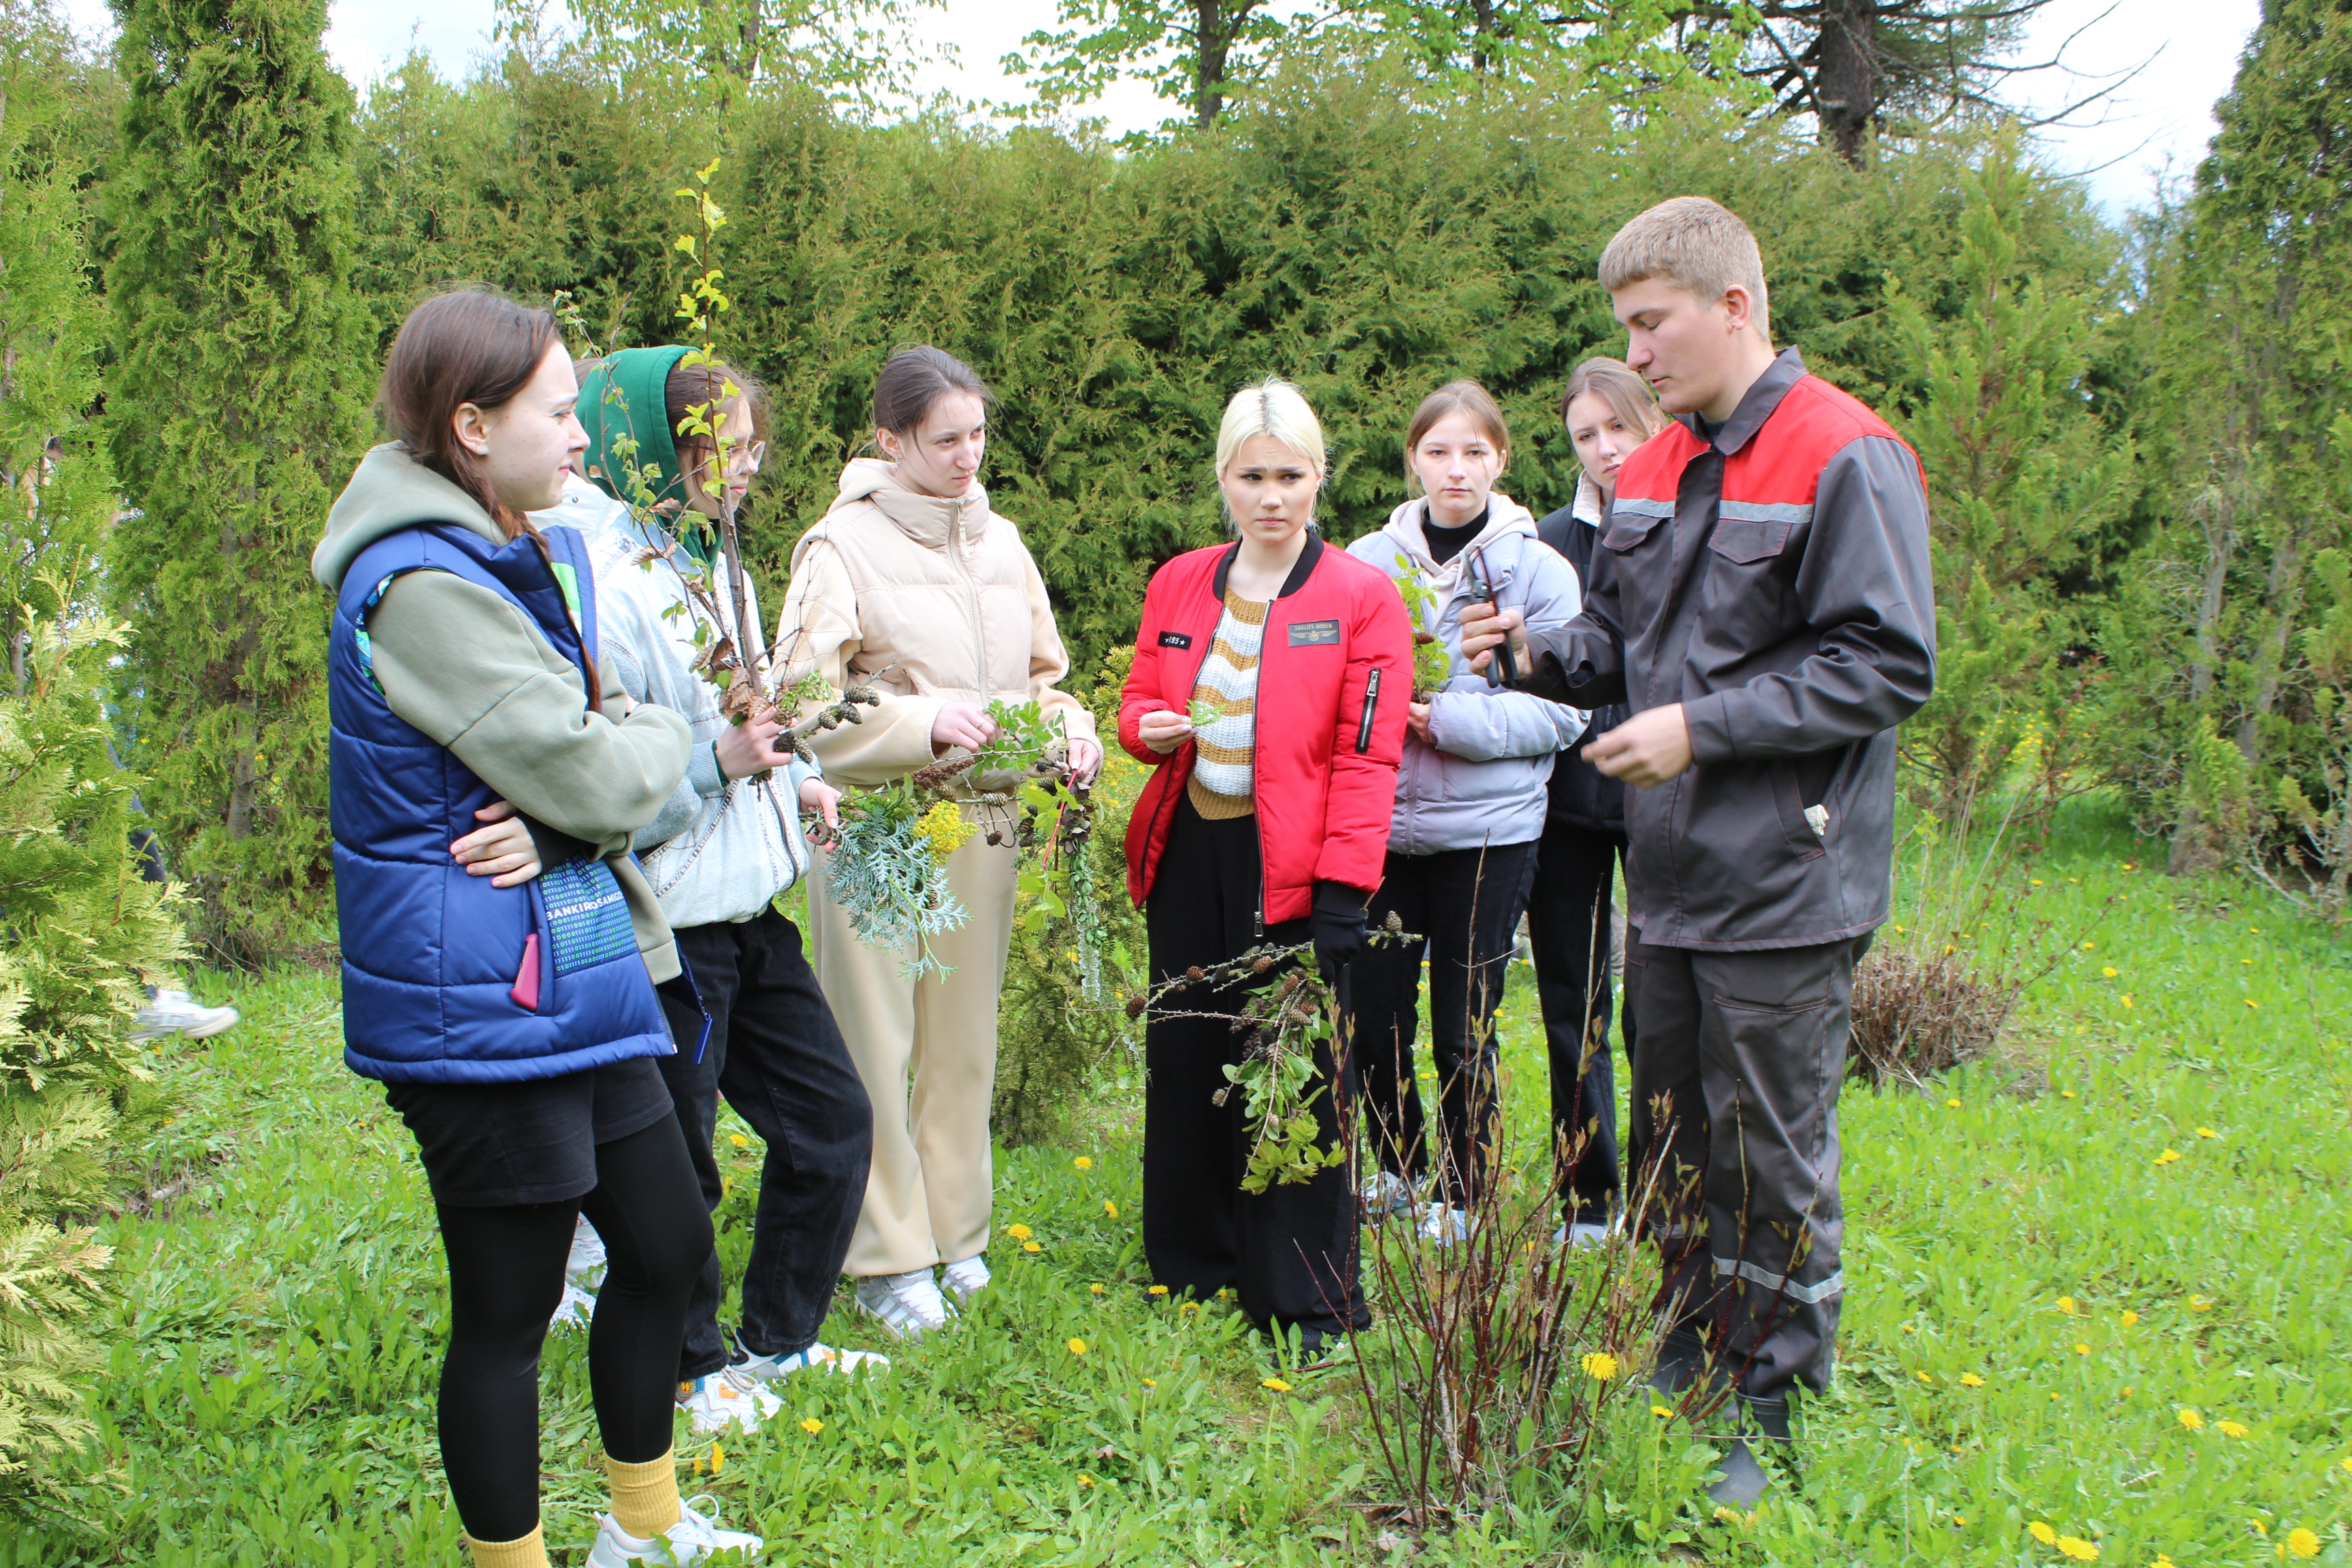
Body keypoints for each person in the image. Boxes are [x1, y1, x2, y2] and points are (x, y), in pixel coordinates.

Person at [1458, 197, 1934, 1505]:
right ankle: (1689, 1352)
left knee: (1766, 1149)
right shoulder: (1655, 469)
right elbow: (1624, 638)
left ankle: (1773, 1407)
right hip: (1666, 883)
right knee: (1670, 1131)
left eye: (1652, 324)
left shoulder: (1848, 452)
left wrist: (1699, 729)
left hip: (1787, 876)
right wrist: (1544, 647)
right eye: (1626, 327)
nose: (1639, 353)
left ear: (1735, 307)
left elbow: (1887, 662)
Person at [312, 288, 759, 1568]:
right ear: (469, 423)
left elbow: (589, 784)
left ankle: (645, 1521)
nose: (581, 438)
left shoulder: (520, 542)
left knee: (668, 1242)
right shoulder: (419, 586)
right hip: (475, 996)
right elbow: (614, 766)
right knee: (506, 1313)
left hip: (567, 951)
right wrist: (629, 760)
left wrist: (582, 800)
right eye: (558, 412)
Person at [544, 346, 884, 1435]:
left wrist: (802, 786)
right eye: (729, 450)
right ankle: (691, 1369)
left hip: (747, 911)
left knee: (831, 1122)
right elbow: (606, 781)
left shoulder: (710, 560)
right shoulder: (601, 587)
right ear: (660, 452)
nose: (752, 467)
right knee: (677, 1168)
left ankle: (779, 1339)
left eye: (752, 446)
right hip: (669, 929)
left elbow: (753, 722)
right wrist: (724, 767)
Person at [777, 346, 1101, 1338]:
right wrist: (922, 727)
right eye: (945, 439)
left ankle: (956, 1236)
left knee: (963, 1042)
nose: (969, 456)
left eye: (978, 435)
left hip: (987, 823)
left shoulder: (1003, 543)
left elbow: (1045, 676)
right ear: (890, 440)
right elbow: (797, 705)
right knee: (877, 1042)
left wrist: (1070, 729)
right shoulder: (838, 547)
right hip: (877, 825)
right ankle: (885, 1256)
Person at [1119, 376, 1411, 1360]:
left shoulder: (1361, 598)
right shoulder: (1179, 581)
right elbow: (1136, 699)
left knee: (1294, 1073)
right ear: (1224, 482)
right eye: (1254, 476)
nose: (1273, 496)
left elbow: (1369, 757)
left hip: (1293, 862)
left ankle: (1304, 1289)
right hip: (1190, 847)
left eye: (1291, 475)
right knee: (1191, 1053)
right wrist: (1145, 730)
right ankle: (1195, 1262)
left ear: (1321, 477)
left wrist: (1344, 893)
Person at [1342, 380, 1586, 1245]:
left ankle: (1465, 1190)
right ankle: (1401, 1168)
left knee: (1461, 1026)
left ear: (1502, 461)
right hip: (1382, 830)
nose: (1457, 469)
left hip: (1488, 834)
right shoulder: (1366, 562)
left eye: (1475, 452)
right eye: (1439, 451)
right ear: (1412, 459)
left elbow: (1563, 709)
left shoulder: (1540, 569)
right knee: (1375, 1018)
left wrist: (1443, 718)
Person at [1524, 357, 1671, 1247]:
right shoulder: (1547, 541)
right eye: (1586, 435)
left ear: (1650, 421)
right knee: (1571, 1003)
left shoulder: (1689, 521)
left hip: (1667, 799)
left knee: (1661, 1009)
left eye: (1618, 427)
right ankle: (1587, 1197)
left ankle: (1662, 1198)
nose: (1605, 448)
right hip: (1569, 801)